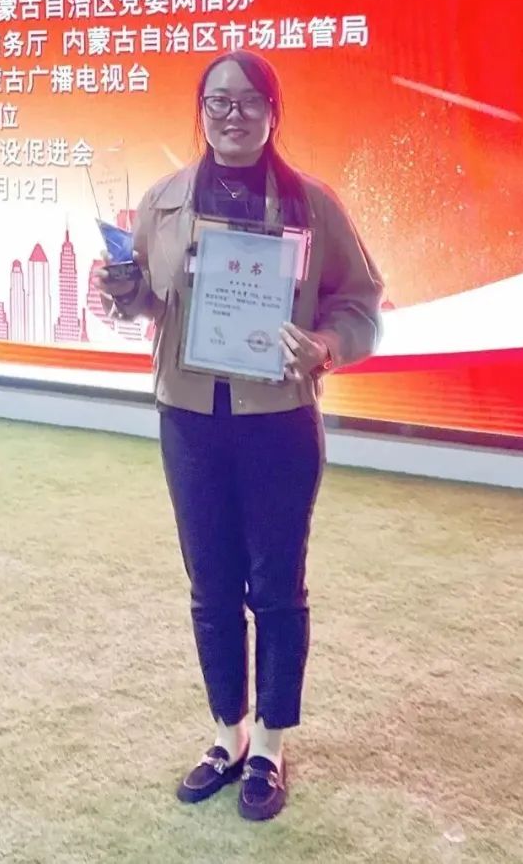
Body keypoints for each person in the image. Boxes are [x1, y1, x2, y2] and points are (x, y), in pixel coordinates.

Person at [92, 50, 382, 822]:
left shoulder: (312, 205)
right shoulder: (163, 202)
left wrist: (325, 345)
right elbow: (152, 305)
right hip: (189, 418)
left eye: (249, 100)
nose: (232, 114)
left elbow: (360, 305)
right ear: (201, 112)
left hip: (279, 420)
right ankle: (228, 734)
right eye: (218, 101)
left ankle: (271, 746)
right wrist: (124, 292)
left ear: (273, 112)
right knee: (211, 585)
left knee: (276, 588)